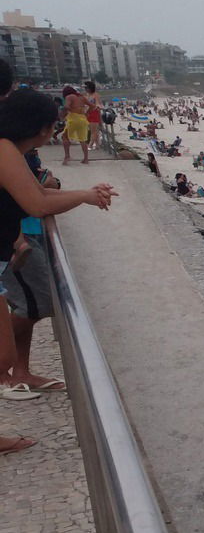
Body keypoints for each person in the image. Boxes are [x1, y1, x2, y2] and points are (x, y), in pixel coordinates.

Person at [0, 87, 118, 454]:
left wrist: (84, 194)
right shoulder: (3, 149)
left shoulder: (12, 151)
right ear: (40, 127)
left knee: (2, 357)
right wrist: (85, 196)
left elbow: (37, 194)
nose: (55, 132)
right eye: (54, 126)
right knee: (2, 357)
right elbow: (36, 203)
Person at [60, 86, 90, 166]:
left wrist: (70, 111)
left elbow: (66, 106)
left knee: (65, 137)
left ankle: (67, 156)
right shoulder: (82, 97)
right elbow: (92, 106)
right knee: (82, 140)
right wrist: (87, 113)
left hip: (73, 119)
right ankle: (86, 159)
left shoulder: (69, 97)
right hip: (83, 119)